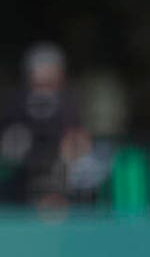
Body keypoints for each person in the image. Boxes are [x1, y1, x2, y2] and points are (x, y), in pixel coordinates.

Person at [0, 42, 93, 208]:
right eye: (40, 69)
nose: (45, 75)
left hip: (62, 170)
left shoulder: (69, 102)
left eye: (50, 69)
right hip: (22, 173)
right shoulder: (16, 102)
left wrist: (70, 151)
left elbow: (78, 137)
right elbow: (8, 138)